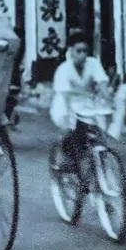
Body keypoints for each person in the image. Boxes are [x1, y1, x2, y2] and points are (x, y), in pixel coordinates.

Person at [49, 30, 111, 172]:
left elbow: (102, 83)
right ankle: (63, 158)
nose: (82, 55)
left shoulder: (93, 63)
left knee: (98, 131)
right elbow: (64, 95)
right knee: (70, 130)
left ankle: (97, 163)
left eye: (85, 51)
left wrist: (107, 98)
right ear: (71, 51)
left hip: (86, 103)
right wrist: (67, 119)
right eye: (79, 51)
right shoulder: (63, 69)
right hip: (65, 104)